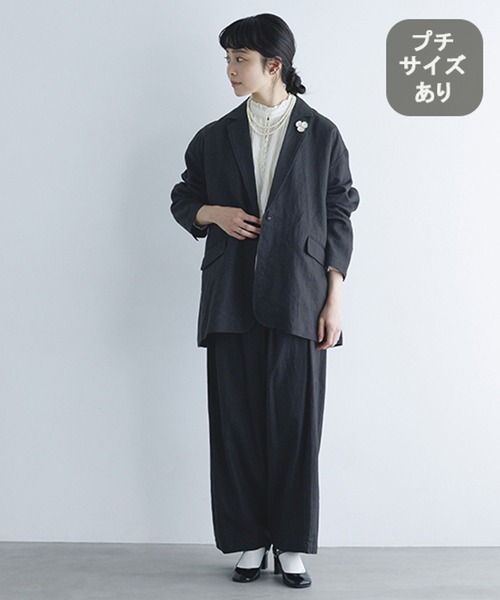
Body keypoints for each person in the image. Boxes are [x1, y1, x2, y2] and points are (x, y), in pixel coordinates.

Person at [170, 13, 360, 589]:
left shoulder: (321, 134)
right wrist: (214, 213)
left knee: (296, 427)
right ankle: (250, 541)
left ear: (273, 65)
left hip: (299, 299)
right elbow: (184, 197)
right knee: (236, 427)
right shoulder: (215, 135)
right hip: (230, 299)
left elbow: (339, 212)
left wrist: (334, 298)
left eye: (240, 59)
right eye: (227, 59)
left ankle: (292, 545)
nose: (230, 70)